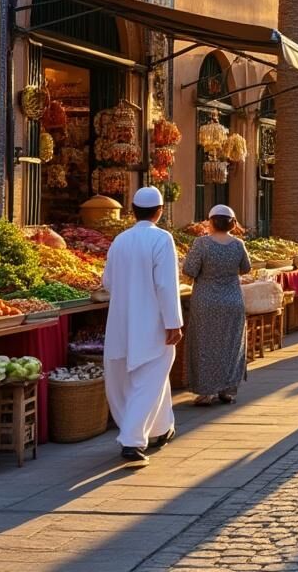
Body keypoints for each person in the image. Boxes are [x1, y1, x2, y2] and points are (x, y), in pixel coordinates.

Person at [101, 186, 183, 463]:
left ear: (132, 211)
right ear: (160, 211)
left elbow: (107, 283)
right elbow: (166, 284)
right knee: (149, 380)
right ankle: (132, 441)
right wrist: (173, 322)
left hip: (122, 321)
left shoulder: (120, 240)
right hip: (152, 323)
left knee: (143, 380)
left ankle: (161, 428)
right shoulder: (162, 239)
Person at [182, 204, 252, 406]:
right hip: (232, 300)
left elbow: (190, 269)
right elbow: (245, 269)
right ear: (232, 223)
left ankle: (206, 391)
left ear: (211, 221)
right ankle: (228, 389)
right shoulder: (238, 245)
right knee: (231, 344)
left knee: (204, 344)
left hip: (206, 301)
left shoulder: (201, 244)